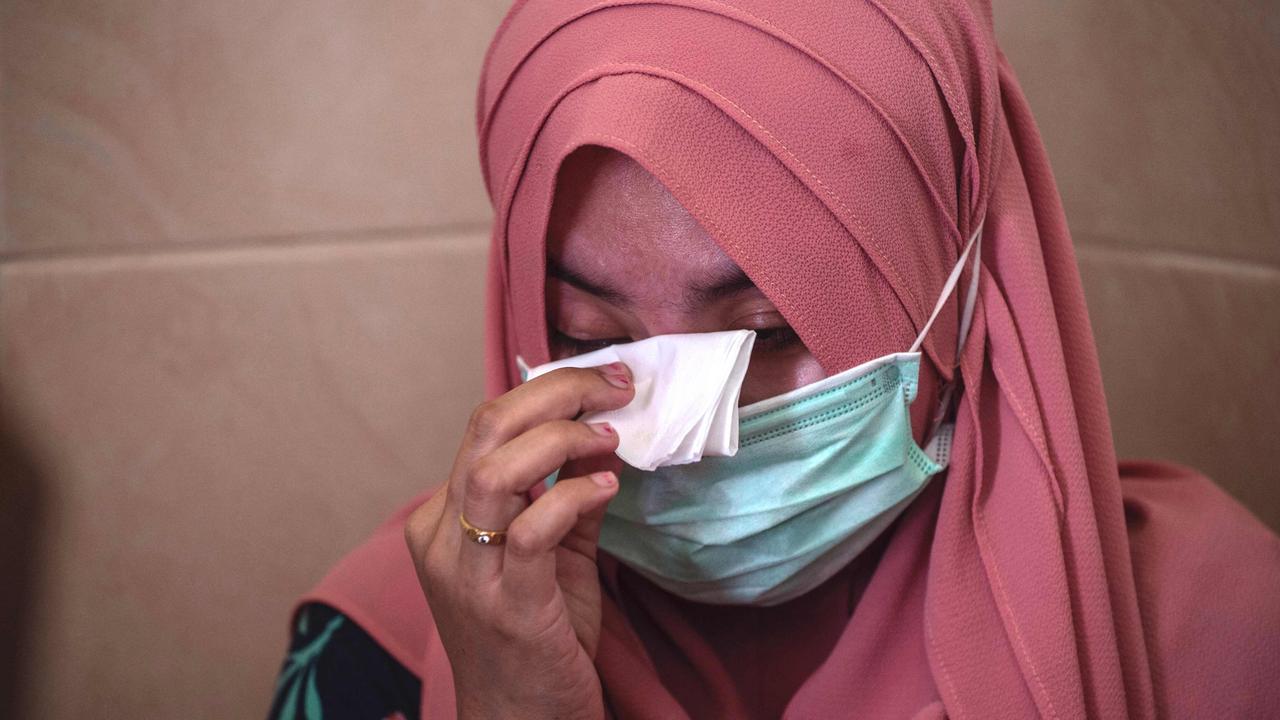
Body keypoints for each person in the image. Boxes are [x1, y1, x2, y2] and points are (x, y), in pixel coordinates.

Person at [267, 1, 1280, 718]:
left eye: (769, 328)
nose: (677, 441)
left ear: (956, 287)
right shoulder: (384, 641)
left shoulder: (1215, 630)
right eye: (586, 338)